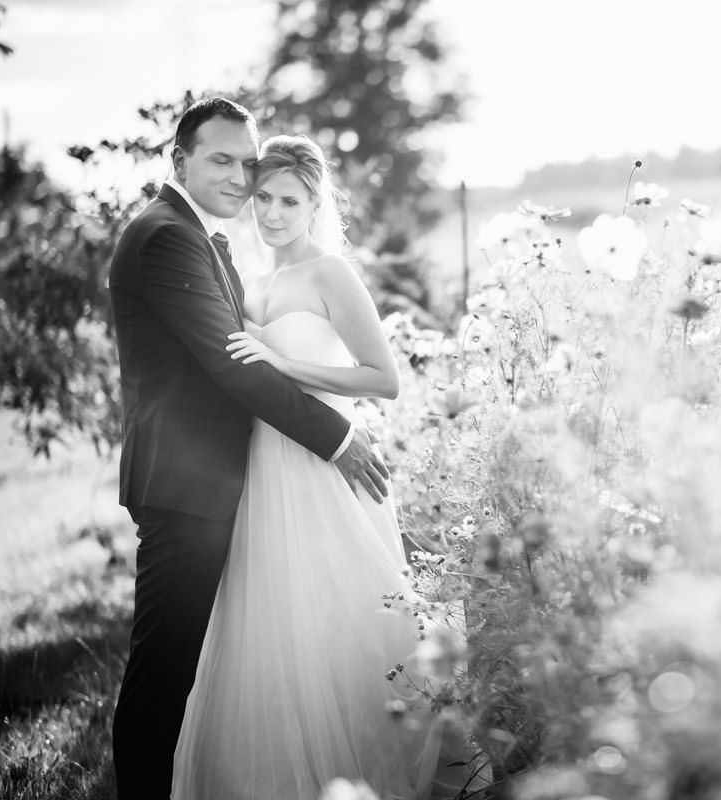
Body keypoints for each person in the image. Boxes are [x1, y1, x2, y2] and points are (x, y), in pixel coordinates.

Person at [107, 97, 390, 800]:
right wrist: (339, 438)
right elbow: (231, 363)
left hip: (233, 481)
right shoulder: (169, 235)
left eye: (247, 164)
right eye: (223, 162)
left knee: (216, 658)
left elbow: (349, 368)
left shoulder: (201, 238)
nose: (242, 184)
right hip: (186, 484)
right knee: (166, 671)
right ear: (180, 160)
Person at [169, 133, 456, 799]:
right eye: (263, 198)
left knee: (347, 617)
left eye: (288, 201)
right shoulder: (255, 279)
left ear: (315, 203)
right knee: (275, 628)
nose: (270, 214)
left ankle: (377, 771)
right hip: (264, 474)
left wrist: (282, 361)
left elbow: (383, 379)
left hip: (327, 474)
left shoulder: (330, 273)